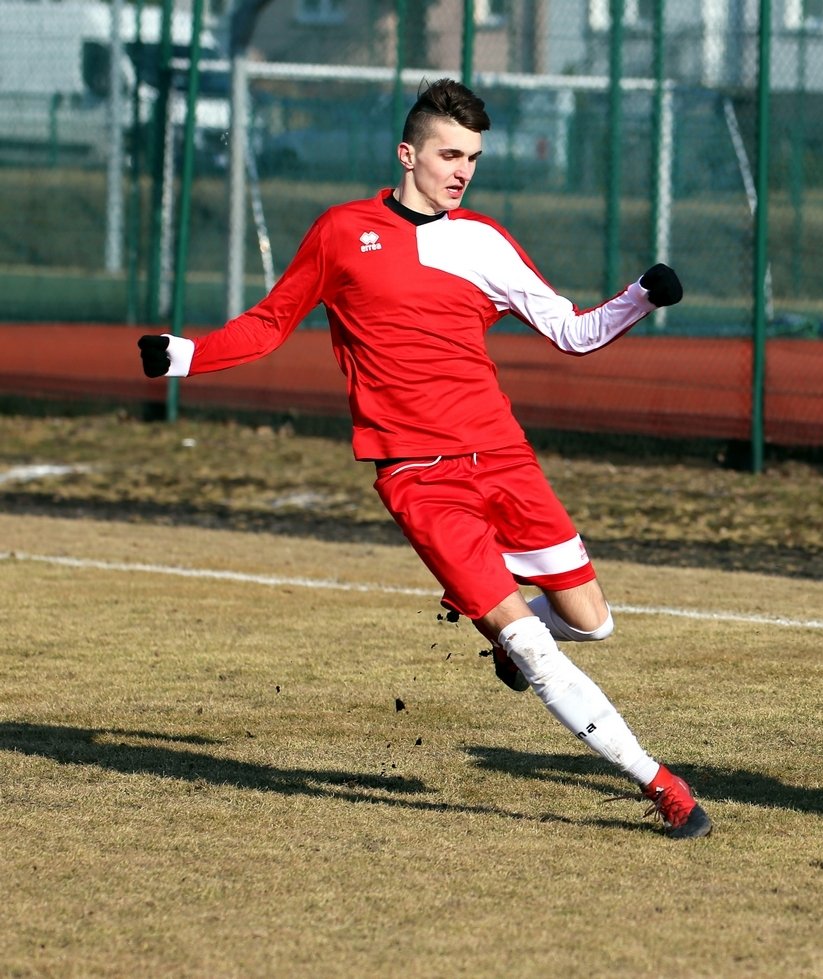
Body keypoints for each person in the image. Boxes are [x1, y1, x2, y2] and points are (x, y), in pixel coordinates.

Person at [135, 78, 711, 839]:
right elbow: (271, 322)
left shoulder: (484, 241)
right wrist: (186, 356)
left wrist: (640, 295)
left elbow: (572, 333)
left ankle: (507, 641)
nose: (461, 170)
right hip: (416, 475)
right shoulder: (342, 231)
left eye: (472, 158)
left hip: (502, 457)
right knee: (534, 645)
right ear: (407, 154)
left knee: (592, 622)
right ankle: (662, 785)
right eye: (448, 154)